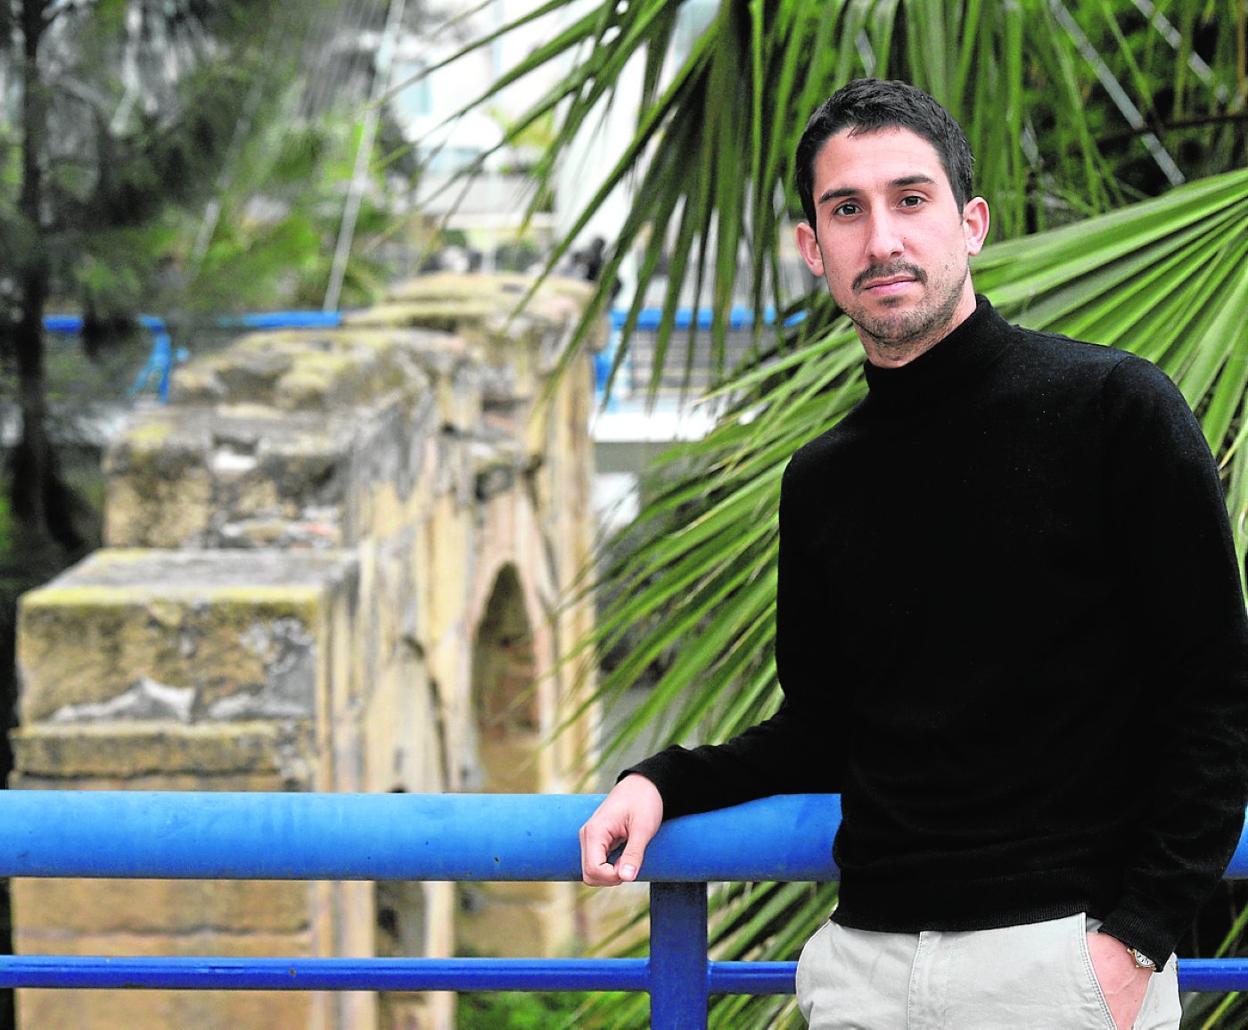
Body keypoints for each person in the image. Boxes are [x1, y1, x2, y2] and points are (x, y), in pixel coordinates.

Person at [578, 78, 1248, 1029]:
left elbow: (1215, 695)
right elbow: (820, 732)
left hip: (1063, 969)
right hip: (867, 968)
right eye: (846, 210)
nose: (881, 238)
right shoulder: (823, 477)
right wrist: (659, 782)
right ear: (814, 249)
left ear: (970, 223)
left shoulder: (1116, 410)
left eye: (911, 199)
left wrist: (1138, 939)